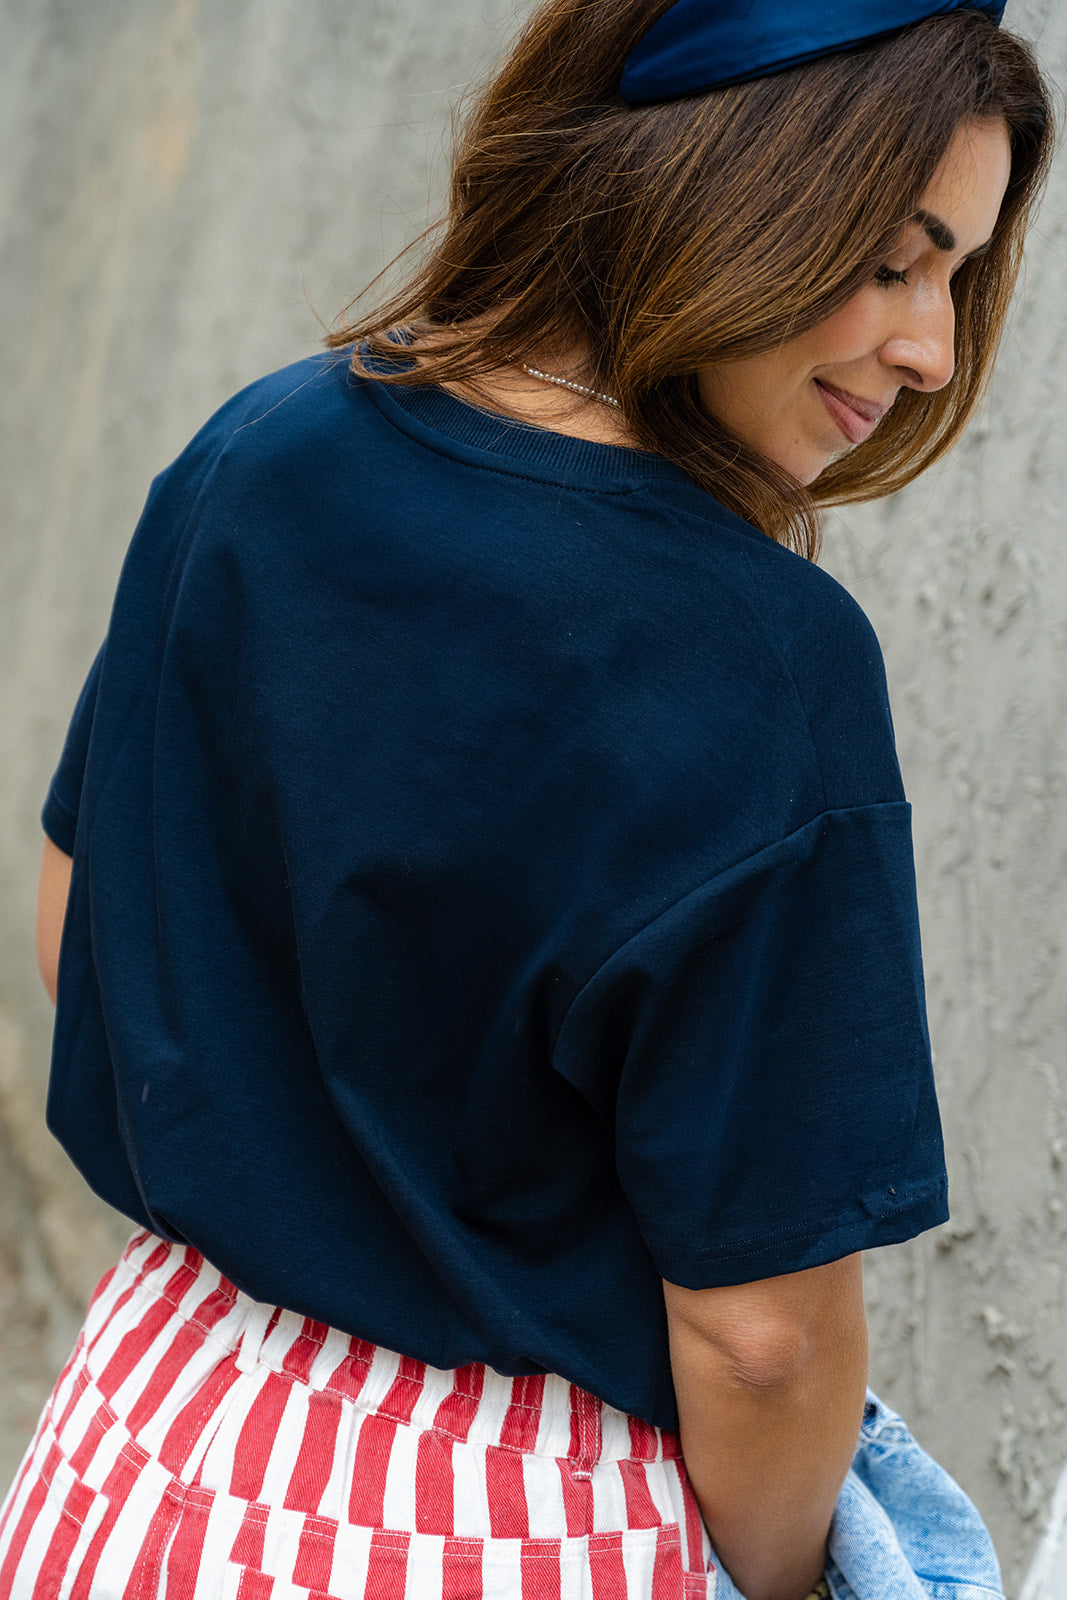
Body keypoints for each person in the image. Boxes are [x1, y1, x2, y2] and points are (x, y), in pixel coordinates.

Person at [0, 1, 1054, 1597]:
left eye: (958, 280)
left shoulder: (259, 450)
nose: (933, 351)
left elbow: (78, 921)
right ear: (735, 181)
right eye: (898, 263)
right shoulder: (762, 661)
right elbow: (764, 1340)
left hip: (141, 1442)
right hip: (502, 1528)